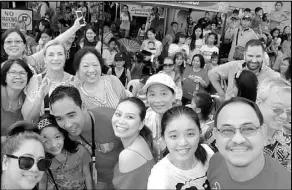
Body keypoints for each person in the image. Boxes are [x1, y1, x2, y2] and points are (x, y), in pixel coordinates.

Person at [49, 85, 123, 189]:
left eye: (71, 115)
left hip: (123, 180)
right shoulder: (61, 134)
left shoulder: (113, 119)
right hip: (96, 182)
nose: (67, 124)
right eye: (59, 118)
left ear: (83, 107)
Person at [207, 97, 291, 189]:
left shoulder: (285, 185)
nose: (238, 140)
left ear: (263, 132)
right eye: (227, 130)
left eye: (248, 129)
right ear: (216, 136)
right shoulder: (215, 162)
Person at [147, 106, 214, 189]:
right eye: (174, 136)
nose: (182, 143)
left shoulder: (208, 153)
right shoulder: (159, 177)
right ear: (163, 137)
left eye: (190, 134)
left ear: (200, 133)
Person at [22, 40, 81, 122]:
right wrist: (40, 97)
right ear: (45, 59)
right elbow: (27, 118)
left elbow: (81, 114)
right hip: (43, 132)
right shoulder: (36, 81)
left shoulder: (75, 82)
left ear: (65, 56)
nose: (56, 58)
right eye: (51, 55)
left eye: (60, 54)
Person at [208, 39, 279, 102]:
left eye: (258, 56)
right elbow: (212, 74)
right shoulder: (234, 66)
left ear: (263, 56)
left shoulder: (271, 75)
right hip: (230, 110)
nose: (254, 60)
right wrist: (222, 94)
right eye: (250, 56)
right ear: (244, 55)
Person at [36, 114, 93, 189]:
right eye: (46, 140)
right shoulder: (42, 159)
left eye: (57, 137)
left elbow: (87, 176)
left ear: (63, 135)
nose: (53, 144)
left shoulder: (80, 150)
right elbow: (43, 182)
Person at [112, 97, 155, 189]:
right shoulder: (140, 139)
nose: (121, 121)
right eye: (118, 114)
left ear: (141, 124)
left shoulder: (128, 154)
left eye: (130, 117)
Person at [256, 77, 291, 171]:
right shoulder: (230, 131)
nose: (284, 116)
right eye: (277, 109)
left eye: (289, 112)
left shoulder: (287, 147)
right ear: (259, 103)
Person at [143, 73, 177, 161]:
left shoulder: (182, 123)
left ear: (173, 96)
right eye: (152, 94)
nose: (157, 100)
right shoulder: (146, 119)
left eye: (164, 93)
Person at [1, 59, 33, 136]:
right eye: (12, 72)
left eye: (22, 73)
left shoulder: (27, 98)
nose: (18, 76)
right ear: (5, 77)